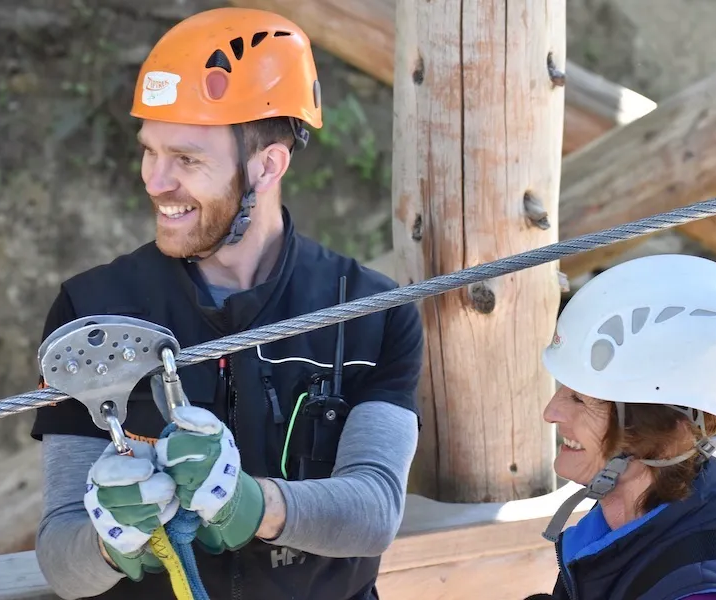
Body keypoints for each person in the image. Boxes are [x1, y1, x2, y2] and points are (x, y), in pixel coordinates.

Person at [29, 8, 422, 600]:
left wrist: (250, 503)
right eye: (150, 151)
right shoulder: (91, 314)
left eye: (186, 160)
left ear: (267, 166)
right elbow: (62, 561)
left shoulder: (368, 312)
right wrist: (111, 543)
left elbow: (374, 511)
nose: (156, 182)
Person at [527, 253, 716, 600]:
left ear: (663, 430)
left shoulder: (703, 593)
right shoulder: (630, 526)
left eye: (581, 400)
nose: (551, 413)